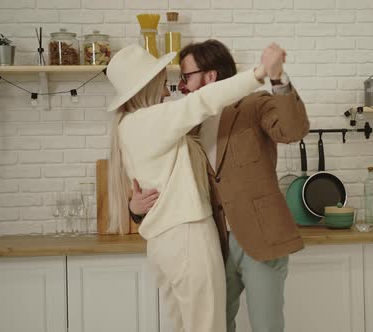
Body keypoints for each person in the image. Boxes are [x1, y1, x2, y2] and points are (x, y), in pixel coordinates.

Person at [129, 39, 310, 332]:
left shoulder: (252, 104)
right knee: (213, 325)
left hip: (259, 239)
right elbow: (166, 181)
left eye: (186, 77)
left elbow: (292, 129)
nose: (181, 86)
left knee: (267, 326)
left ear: (210, 76)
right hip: (211, 246)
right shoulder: (187, 123)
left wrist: (278, 77)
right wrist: (135, 209)